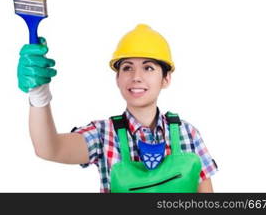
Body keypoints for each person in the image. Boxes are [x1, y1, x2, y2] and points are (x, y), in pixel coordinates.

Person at [17, 23, 218, 192]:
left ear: (166, 78)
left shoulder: (188, 133)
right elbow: (50, 149)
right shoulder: (103, 135)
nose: (136, 76)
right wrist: (39, 94)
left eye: (148, 67)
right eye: (127, 68)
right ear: (118, 78)